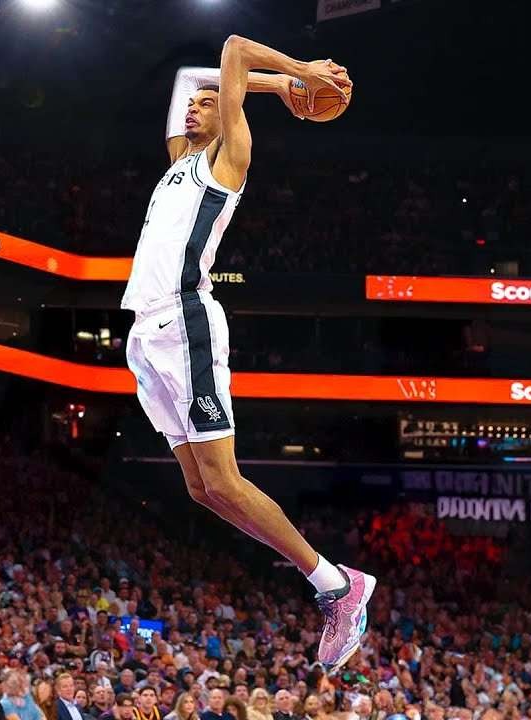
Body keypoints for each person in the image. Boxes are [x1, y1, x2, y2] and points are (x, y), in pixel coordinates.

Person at [118, 33, 371, 671]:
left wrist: (296, 71)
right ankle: (332, 583)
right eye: (195, 106)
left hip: (188, 323)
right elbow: (189, 80)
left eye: (209, 105)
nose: (193, 109)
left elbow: (231, 49)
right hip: (145, 336)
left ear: (226, 116)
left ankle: (338, 586)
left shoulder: (228, 159)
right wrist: (283, 87)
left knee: (225, 477)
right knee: (203, 491)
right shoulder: (178, 156)